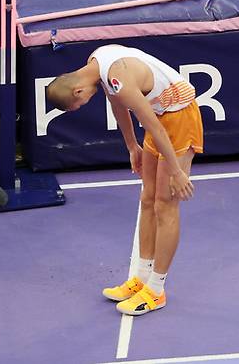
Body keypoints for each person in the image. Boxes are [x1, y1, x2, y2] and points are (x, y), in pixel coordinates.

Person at [46, 44, 203, 316]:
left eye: (78, 105)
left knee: (165, 204)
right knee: (148, 199)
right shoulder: (97, 62)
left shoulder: (119, 74)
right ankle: (141, 278)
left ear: (77, 90)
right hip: (160, 115)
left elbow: (150, 124)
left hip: (178, 117)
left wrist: (178, 172)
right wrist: (132, 146)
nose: (84, 105)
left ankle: (156, 290)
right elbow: (118, 105)